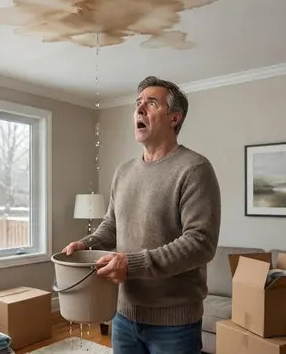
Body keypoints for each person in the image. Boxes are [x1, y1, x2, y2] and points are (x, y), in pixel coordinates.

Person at [62, 76, 221, 354]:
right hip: (123, 316)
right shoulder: (123, 172)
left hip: (175, 324)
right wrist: (86, 244)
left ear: (174, 118)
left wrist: (131, 264)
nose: (139, 109)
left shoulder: (195, 169)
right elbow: (111, 227)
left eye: (151, 103)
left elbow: (200, 244)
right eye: (138, 103)